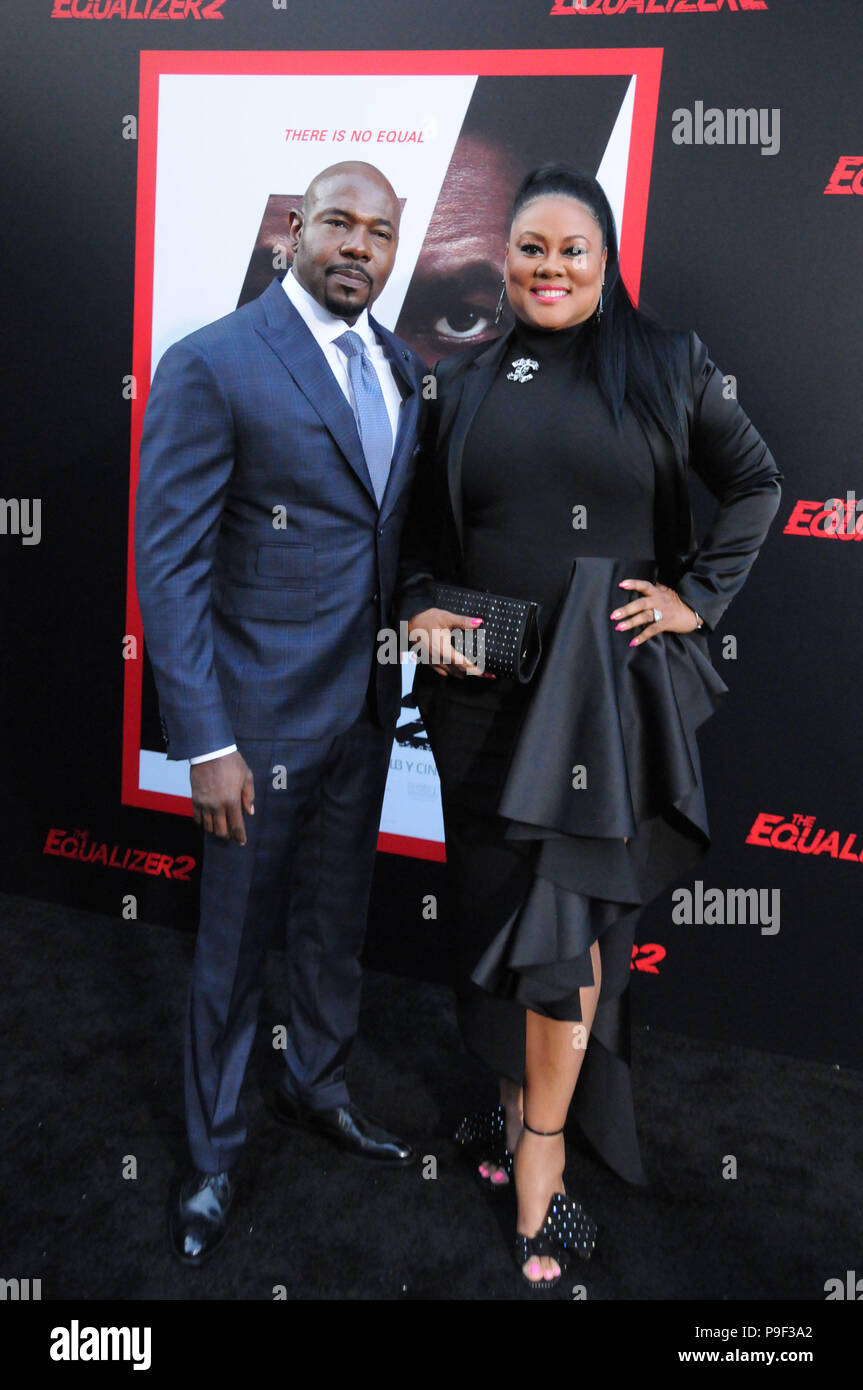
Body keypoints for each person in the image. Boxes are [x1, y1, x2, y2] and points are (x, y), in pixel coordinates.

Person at [397, 163, 782, 1289]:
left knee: (562, 935)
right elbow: (419, 538)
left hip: (600, 702)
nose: (546, 266)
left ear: (604, 257)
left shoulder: (665, 364)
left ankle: (542, 1175)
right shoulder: (460, 381)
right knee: (494, 922)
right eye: (527, 247)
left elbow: (754, 482)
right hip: (478, 697)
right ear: (503, 259)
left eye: (569, 247)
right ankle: (515, 1109)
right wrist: (418, 607)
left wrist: (693, 598)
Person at [135, 161, 428, 1265]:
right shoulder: (214, 361)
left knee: (331, 929)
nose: (359, 246)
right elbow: (167, 568)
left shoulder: (399, 362)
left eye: (380, 232)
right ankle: (212, 1154)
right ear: (293, 231)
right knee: (232, 950)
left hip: (362, 712)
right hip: (251, 728)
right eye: (339, 224)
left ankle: (318, 1082)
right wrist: (205, 739)